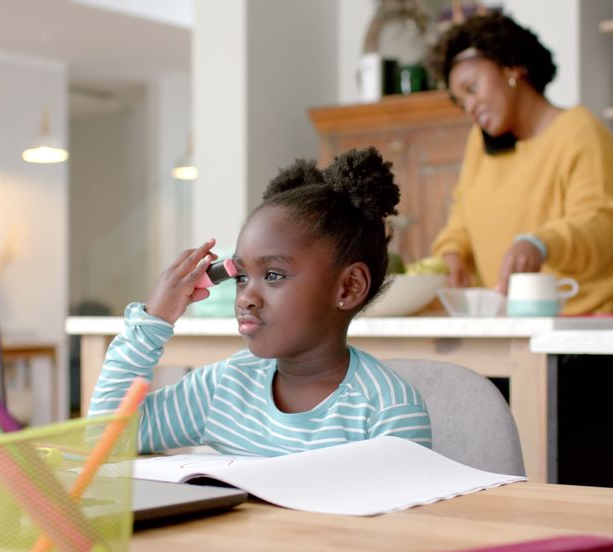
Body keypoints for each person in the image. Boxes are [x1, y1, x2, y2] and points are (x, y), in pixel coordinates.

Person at [88, 148, 433, 456]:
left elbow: (397, 524)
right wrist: (154, 319)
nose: (246, 298)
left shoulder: (388, 410)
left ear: (348, 288)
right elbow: (106, 439)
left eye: (272, 275)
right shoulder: (224, 387)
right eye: (241, 277)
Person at [429, 13, 613, 315]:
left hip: (589, 326)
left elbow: (602, 223)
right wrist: (452, 254)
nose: (470, 108)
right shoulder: (480, 143)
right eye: (461, 102)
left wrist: (541, 244)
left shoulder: (582, 133)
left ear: (511, 67)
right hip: (514, 326)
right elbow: (461, 218)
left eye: (472, 88)